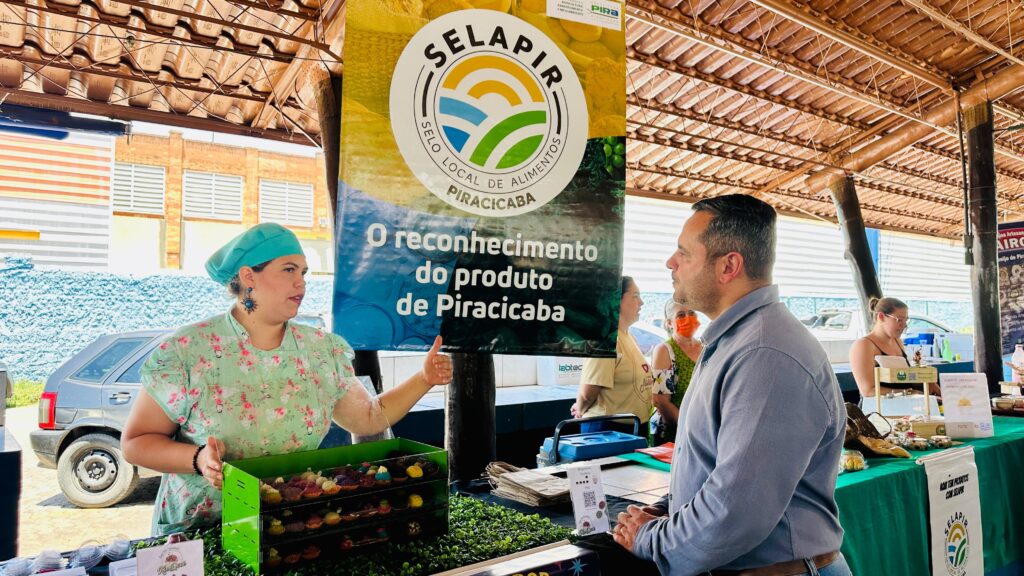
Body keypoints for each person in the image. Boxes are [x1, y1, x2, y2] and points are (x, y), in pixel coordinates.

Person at [121, 223, 453, 535]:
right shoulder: (189, 350)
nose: (302, 283)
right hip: (201, 530)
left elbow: (368, 418)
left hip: (284, 531)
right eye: (289, 270)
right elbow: (136, 442)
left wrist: (424, 379)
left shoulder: (320, 350)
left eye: (304, 272)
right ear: (249, 276)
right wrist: (196, 459)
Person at [612, 195, 851, 576]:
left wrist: (651, 539)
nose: (671, 263)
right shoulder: (734, 342)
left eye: (684, 253)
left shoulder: (765, 353)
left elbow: (736, 509)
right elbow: (714, 464)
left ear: (729, 266)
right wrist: (669, 509)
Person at [570, 276, 653, 435]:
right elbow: (588, 394)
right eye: (635, 296)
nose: (641, 302)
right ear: (616, 301)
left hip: (632, 428)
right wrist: (580, 409)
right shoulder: (606, 339)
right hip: (608, 431)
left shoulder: (628, 337)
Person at [848, 297, 941, 399]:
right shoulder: (864, 345)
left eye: (906, 320)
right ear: (881, 317)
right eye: (899, 320)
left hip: (903, 406)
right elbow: (868, 391)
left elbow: (903, 378)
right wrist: (911, 393)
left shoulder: (898, 342)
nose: (904, 325)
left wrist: (926, 383)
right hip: (878, 410)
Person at [648, 300, 701, 446]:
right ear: (669, 323)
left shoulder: (705, 348)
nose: (688, 318)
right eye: (681, 315)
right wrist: (688, 429)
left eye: (691, 313)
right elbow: (660, 401)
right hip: (674, 433)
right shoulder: (664, 351)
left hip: (703, 431)